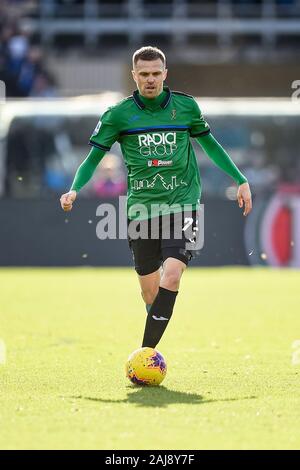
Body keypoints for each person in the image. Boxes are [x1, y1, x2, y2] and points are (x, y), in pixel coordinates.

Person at [60, 46, 252, 349]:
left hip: (183, 204)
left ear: (165, 74)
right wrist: (74, 187)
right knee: (150, 294)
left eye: (156, 73)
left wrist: (239, 179)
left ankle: (146, 354)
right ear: (134, 75)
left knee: (172, 276)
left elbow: (211, 146)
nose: (150, 79)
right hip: (141, 212)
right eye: (144, 74)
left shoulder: (186, 107)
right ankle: (152, 343)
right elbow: (94, 158)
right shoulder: (118, 115)